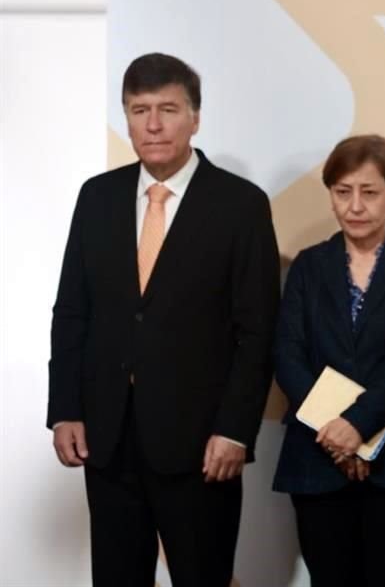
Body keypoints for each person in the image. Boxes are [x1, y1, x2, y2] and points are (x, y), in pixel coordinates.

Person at [47, 53, 281, 586]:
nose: (153, 124)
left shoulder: (240, 205)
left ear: (195, 118)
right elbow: (71, 313)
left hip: (202, 444)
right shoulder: (97, 197)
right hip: (108, 438)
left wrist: (234, 430)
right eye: (139, 109)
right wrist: (65, 410)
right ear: (126, 118)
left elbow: (258, 329)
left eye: (168, 109)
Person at [272, 134, 385, 587]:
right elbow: (287, 353)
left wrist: (358, 424)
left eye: (369, 192)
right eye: (342, 191)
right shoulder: (308, 266)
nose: (355, 206)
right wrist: (336, 430)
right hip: (317, 452)